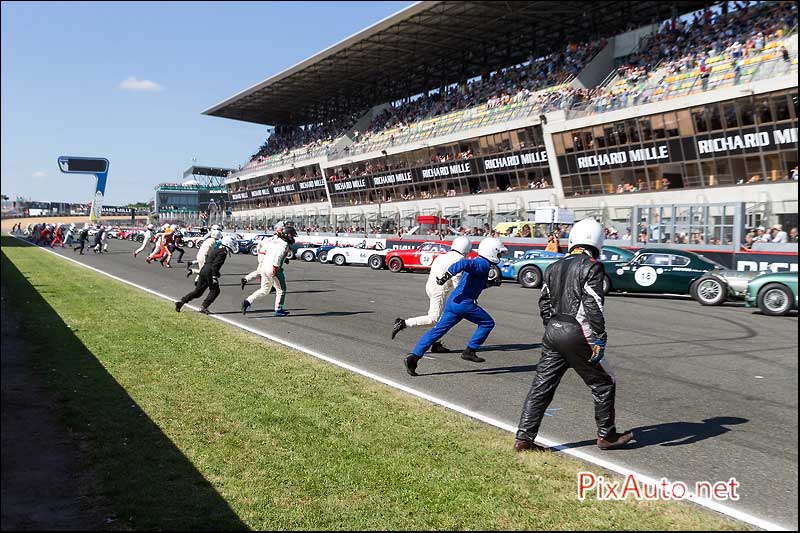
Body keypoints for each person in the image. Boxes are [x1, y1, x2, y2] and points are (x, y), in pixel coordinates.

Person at [514, 218, 633, 452]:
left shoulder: (554, 266)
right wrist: (600, 336)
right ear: (597, 241)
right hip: (578, 333)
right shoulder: (592, 265)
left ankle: (523, 439)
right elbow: (593, 304)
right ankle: (606, 436)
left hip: (553, 332)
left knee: (542, 385)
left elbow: (544, 303)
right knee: (604, 383)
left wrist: (553, 327)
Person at [403, 237, 506, 376]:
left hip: (454, 302)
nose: (500, 256)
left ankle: (414, 357)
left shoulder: (480, 264)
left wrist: (491, 284)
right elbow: (462, 263)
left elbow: (474, 285)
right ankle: (470, 350)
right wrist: (446, 276)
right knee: (487, 323)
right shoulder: (482, 264)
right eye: (499, 253)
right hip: (464, 303)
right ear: (492, 252)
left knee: (437, 331)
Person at [391, 236, 472, 352]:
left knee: (439, 317)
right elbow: (456, 280)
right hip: (439, 289)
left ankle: (436, 344)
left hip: (430, 286)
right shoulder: (459, 259)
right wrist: (463, 295)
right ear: (466, 249)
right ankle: (403, 323)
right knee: (433, 319)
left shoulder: (443, 255)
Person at [241, 222, 297, 317]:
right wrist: (275, 268)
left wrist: (284, 259)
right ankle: (278, 309)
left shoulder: (273, 240)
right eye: (291, 235)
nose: (292, 238)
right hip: (273, 268)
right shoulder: (284, 244)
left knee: (264, 290)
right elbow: (278, 256)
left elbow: (270, 252)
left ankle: (247, 301)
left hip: (264, 266)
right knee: (281, 289)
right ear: (287, 235)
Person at [175, 235, 237, 315]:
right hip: (210, 272)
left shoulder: (217, 249)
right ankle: (204, 307)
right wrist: (214, 276)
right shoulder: (223, 252)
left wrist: (215, 273)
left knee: (198, 292)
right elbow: (215, 265)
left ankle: (181, 302)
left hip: (204, 269)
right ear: (229, 243)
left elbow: (209, 260)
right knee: (215, 291)